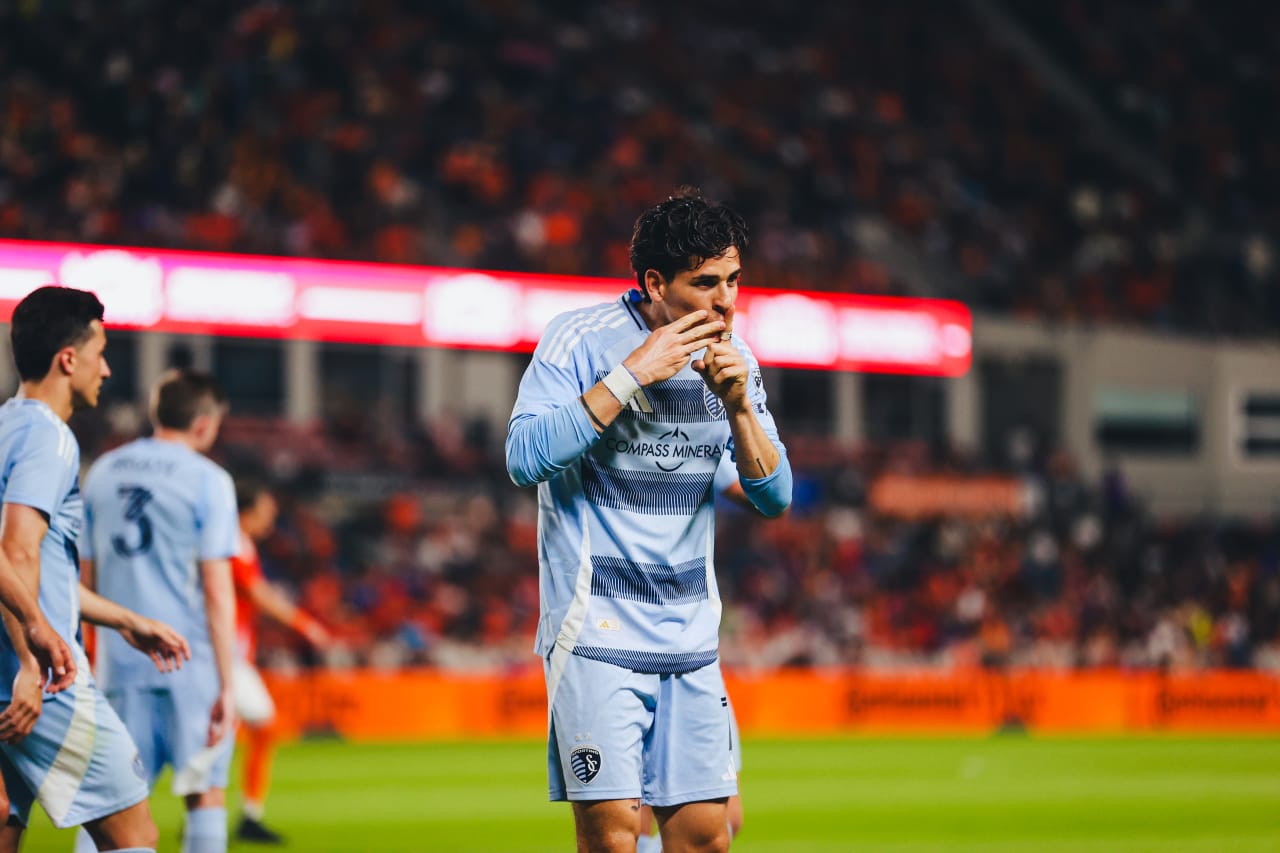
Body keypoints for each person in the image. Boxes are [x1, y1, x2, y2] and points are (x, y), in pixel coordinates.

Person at [506, 188, 791, 852]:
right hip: (596, 629)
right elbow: (525, 459)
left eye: (733, 280)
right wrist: (633, 374)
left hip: (689, 635)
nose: (725, 300)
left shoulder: (735, 361)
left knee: (706, 837)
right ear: (655, 283)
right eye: (706, 283)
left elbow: (774, 496)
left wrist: (740, 408)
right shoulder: (578, 339)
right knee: (611, 839)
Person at [0, 285, 191, 853]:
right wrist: (32, 660)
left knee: (7, 829)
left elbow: (36, 575)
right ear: (68, 358)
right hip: (43, 683)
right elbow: (16, 553)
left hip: (7, 679)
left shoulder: (6, 426)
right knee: (134, 837)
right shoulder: (47, 436)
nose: (106, 369)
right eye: (101, 351)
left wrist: (125, 618)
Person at [79, 369, 240, 853]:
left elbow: (84, 578)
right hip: (191, 662)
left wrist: (88, 655)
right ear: (205, 424)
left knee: (111, 806)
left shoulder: (104, 470)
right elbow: (216, 586)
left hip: (119, 662)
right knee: (205, 791)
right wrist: (229, 684)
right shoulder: (209, 479)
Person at [229, 479, 332, 845]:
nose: (270, 521)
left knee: (235, 730)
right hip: (223, 657)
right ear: (247, 511)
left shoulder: (235, 543)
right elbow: (258, 594)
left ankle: (223, 813)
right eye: (265, 513)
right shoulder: (232, 543)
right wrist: (306, 625)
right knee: (253, 726)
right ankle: (236, 815)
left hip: (229, 656)